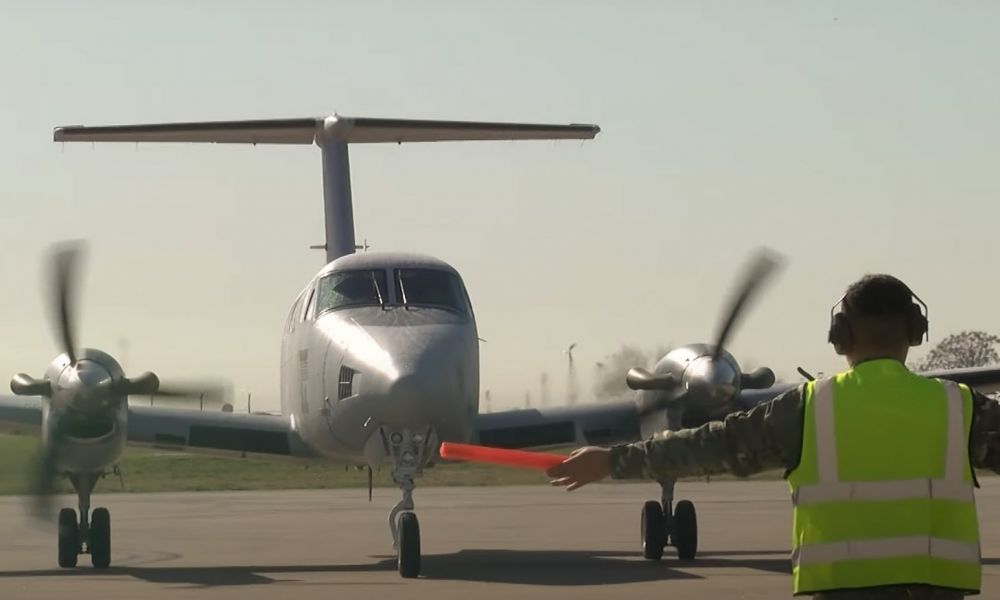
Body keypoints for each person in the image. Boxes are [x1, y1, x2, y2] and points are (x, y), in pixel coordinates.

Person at [547, 274, 1000, 599]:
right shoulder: (961, 406)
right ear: (916, 332)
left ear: (840, 335)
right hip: (937, 589)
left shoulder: (809, 407)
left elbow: (710, 446)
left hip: (841, 589)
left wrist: (611, 461)